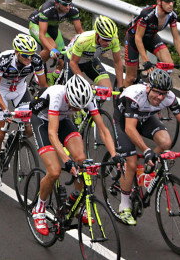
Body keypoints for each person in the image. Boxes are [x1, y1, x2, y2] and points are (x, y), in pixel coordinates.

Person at [29, 74, 121, 236]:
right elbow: (52, 134)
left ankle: (76, 204)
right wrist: (66, 160)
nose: (78, 110)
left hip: (63, 120)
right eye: (74, 106)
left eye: (80, 106)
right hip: (43, 122)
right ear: (68, 97)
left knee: (82, 161)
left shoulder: (88, 97)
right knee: (55, 171)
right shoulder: (57, 95)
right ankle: (39, 208)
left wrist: (114, 155)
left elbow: (103, 129)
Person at [112, 68, 180, 224]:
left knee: (166, 142)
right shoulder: (134, 96)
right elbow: (129, 128)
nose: (160, 97)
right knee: (132, 163)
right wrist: (146, 150)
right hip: (124, 122)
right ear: (148, 87)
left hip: (145, 118)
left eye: (164, 93)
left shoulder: (169, 97)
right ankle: (124, 206)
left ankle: (148, 167)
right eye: (157, 92)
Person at [0, 34, 48, 187]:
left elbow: (44, 87)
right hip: (1, 91)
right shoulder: (4, 60)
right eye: (26, 55)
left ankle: (12, 138)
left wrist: (42, 106)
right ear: (17, 52)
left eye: (31, 55)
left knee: (30, 128)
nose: (29, 59)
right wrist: (5, 109)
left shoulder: (36, 60)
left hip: (20, 90)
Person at [123, 0, 180, 87]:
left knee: (168, 65)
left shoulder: (172, 16)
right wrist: (146, 61)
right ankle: (122, 100)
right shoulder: (147, 14)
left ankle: (150, 87)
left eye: (172, 1)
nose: (171, 4)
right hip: (134, 40)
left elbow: (176, 38)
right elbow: (138, 38)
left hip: (151, 38)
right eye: (167, 1)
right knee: (131, 78)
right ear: (159, 2)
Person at [64, 16, 125, 105]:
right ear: (97, 35)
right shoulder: (84, 40)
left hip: (90, 60)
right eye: (105, 39)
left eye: (110, 40)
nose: (108, 43)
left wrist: (121, 87)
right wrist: (86, 85)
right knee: (71, 97)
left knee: (107, 91)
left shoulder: (114, 40)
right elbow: (73, 63)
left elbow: (117, 62)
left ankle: (91, 110)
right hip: (73, 60)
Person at [29, 0, 84, 78]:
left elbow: (79, 31)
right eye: (65, 4)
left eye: (69, 4)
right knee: (51, 46)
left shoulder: (73, 10)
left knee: (64, 58)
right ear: (56, 2)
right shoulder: (47, 9)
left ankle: (55, 76)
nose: (68, 7)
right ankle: (36, 70)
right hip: (37, 25)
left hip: (53, 27)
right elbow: (42, 35)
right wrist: (52, 49)